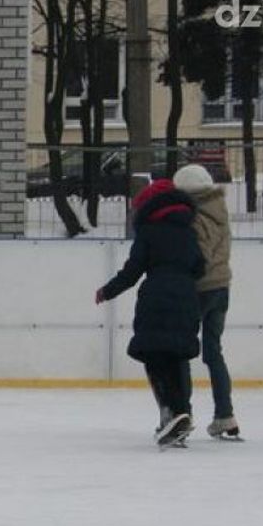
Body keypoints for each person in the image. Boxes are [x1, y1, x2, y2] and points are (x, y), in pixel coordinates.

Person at [95, 179, 204, 447]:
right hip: (187, 298)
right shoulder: (189, 231)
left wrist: (107, 291)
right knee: (176, 356)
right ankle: (181, 412)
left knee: (154, 355)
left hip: (156, 298)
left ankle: (172, 412)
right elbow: (200, 267)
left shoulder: (149, 232)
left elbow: (133, 271)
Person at [173, 164, 239, 439]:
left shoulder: (194, 216)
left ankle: (182, 414)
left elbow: (199, 256)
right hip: (222, 287)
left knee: (181, 350)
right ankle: (225, 414)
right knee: (213, 352)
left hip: (199, 289)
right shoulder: (219, 209)